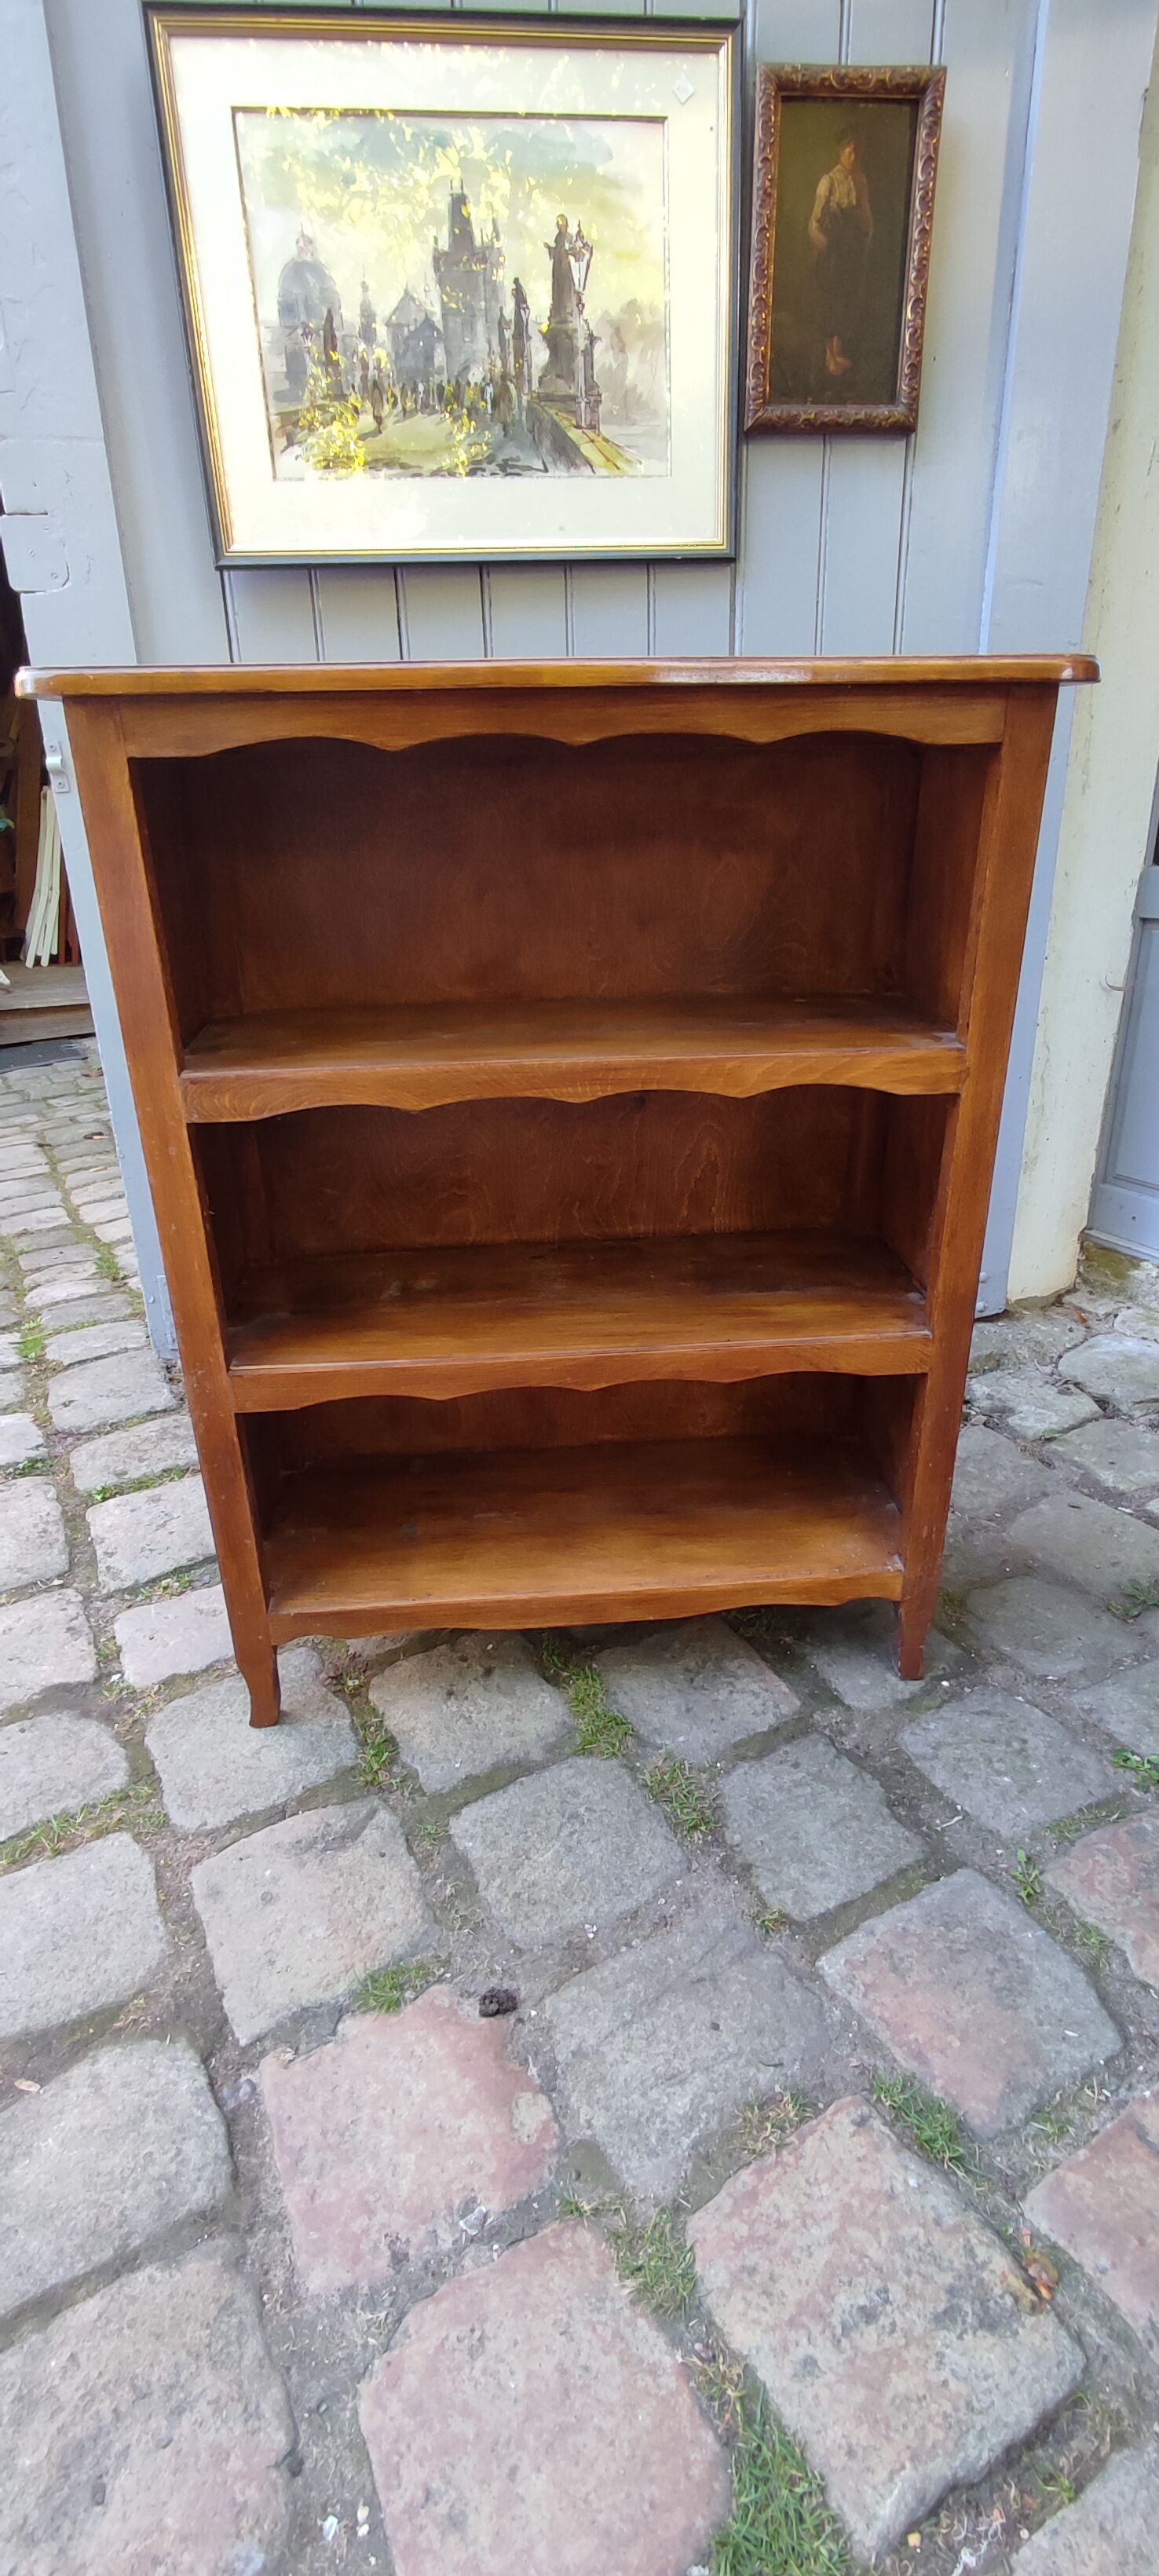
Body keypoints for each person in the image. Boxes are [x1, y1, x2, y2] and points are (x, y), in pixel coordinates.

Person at [808, 127, 872, 380]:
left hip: (852, 251)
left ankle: (838, 350)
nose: (852, 158)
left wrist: (866, 235)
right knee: (831, 303)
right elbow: (815, 221)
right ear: (840, 153)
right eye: (848, 152)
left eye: (856, 153)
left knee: (848, 300)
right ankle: (828, 356)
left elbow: (865, 214)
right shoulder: (829, 181)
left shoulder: (860, 180)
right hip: (834, 251)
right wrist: (826, 245)